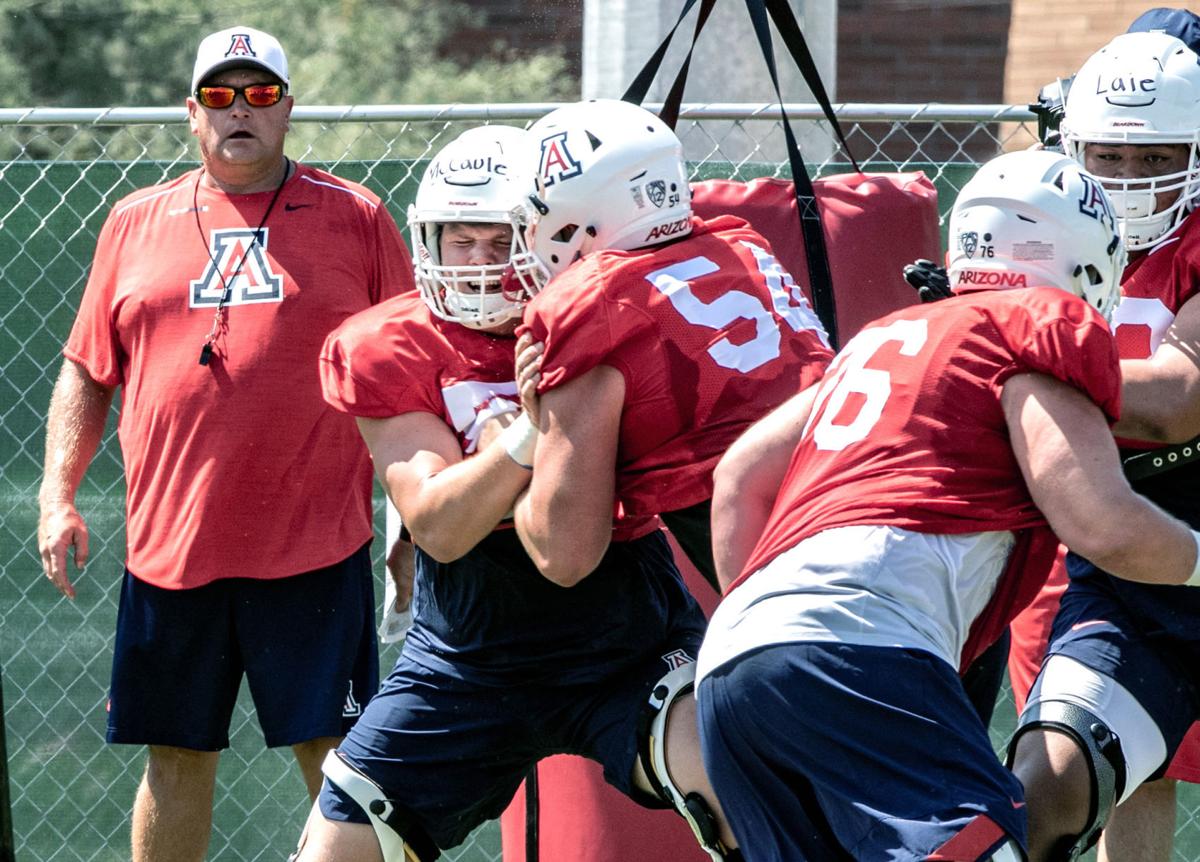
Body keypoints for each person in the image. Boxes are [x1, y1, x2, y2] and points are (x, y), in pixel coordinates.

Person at [693, 148, 1200, 861]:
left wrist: (770, 633)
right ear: (1084, 259)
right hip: (859, 644)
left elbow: (739, 477)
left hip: (736, 663)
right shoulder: (1030, 328)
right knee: (990, 848)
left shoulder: (883, 339)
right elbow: (1103, 524)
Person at [35, 25, 412, 862]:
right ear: (190, 112)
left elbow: (417, 368)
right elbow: (87, 371)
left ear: (288, 110)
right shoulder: (133, 222)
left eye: (261, 94)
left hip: (315, 546)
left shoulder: (357, 217)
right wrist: (58, 493)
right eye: (219, 95)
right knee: (176, 759)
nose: (239, 111)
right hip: (173, 552)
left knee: (340, 765)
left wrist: (414, 519)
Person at [292, 124, 717, 862]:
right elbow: (439, 526)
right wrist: (526, 433)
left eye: (503, 241)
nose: (482, 266)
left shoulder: (608, 313)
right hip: (466, 650)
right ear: (430, 241)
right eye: (462, 242)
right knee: (337, 849)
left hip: (624, 630)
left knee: (741, 790)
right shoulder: (388, 343)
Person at [509, 97, 834, 852]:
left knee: (792, 810)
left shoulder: (587, 306)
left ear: (582, 220)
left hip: (794, 577)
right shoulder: (736, 241)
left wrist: (535, 430)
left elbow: (563, 553)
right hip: (881, 515)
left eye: (543, 217)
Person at [1006, 32, 1200, 862]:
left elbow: (1183, 399)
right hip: (1116, 560)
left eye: (1154, 153)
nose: (1129, 176)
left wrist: (1028, 361)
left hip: (1179, 517)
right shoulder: (1034, 222)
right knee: (1053, 785)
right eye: (1108, 154)